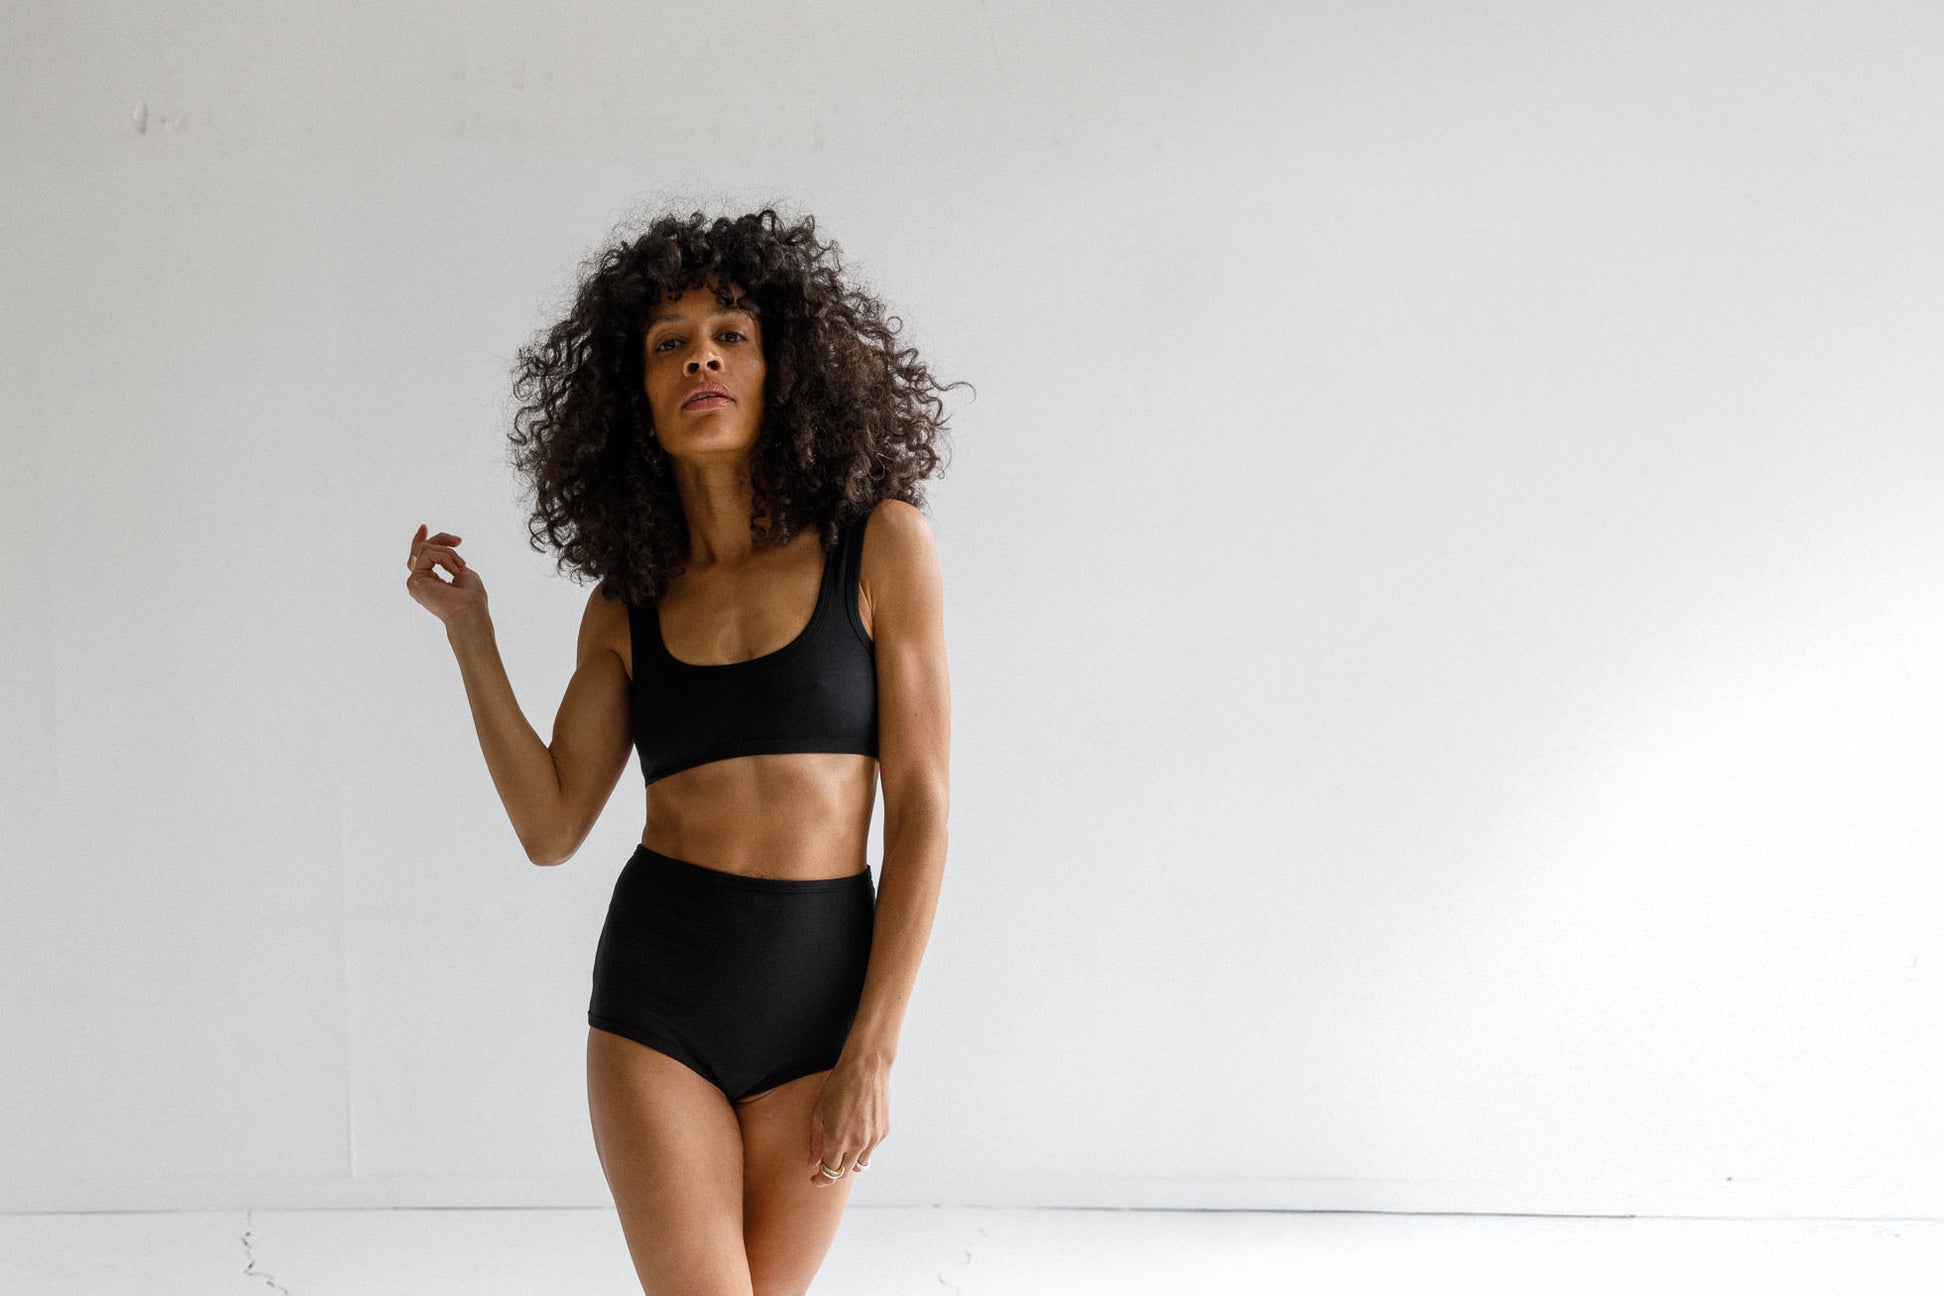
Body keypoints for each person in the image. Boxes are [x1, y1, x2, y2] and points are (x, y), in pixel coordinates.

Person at [404, 207, 961, 1295]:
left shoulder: (881, 546)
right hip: (658, 1008)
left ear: (780, 369)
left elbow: (926, 811)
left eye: (730, 334)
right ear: (637, 397)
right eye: (670, 343)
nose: (702, 356)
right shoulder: (627, 607)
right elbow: (550, 826)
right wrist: (471, 634)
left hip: (820, 1013)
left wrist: (874, 1050)